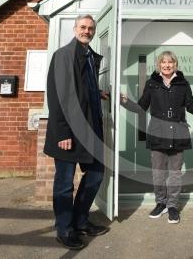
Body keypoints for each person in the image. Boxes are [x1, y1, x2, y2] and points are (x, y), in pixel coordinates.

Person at [120, 51, 193, 224]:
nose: (167, 65)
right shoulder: (152, 83)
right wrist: (124, 101)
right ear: (159, 65)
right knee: (158, 173)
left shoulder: (183, 84)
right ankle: (160, 203)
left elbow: (192, 107)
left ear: (175, 65)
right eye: (163, 62)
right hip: (157, 134)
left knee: (175, 174)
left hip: (178, 134)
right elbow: (141, 107)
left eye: (170, 62)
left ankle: (172, 206)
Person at [44, 14, 110, 250]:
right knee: (64, 184)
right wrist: (62, 133)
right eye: (83, 27)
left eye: (91, 28)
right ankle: (64, 229)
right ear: (75, 29)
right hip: (68, 133)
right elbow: (58, 95)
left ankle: (80, 220)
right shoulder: (64, 55)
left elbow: (82, 89)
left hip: (89, 131)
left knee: (96, 174)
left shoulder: (90, 57)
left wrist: (98, 93)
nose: (87, 31)